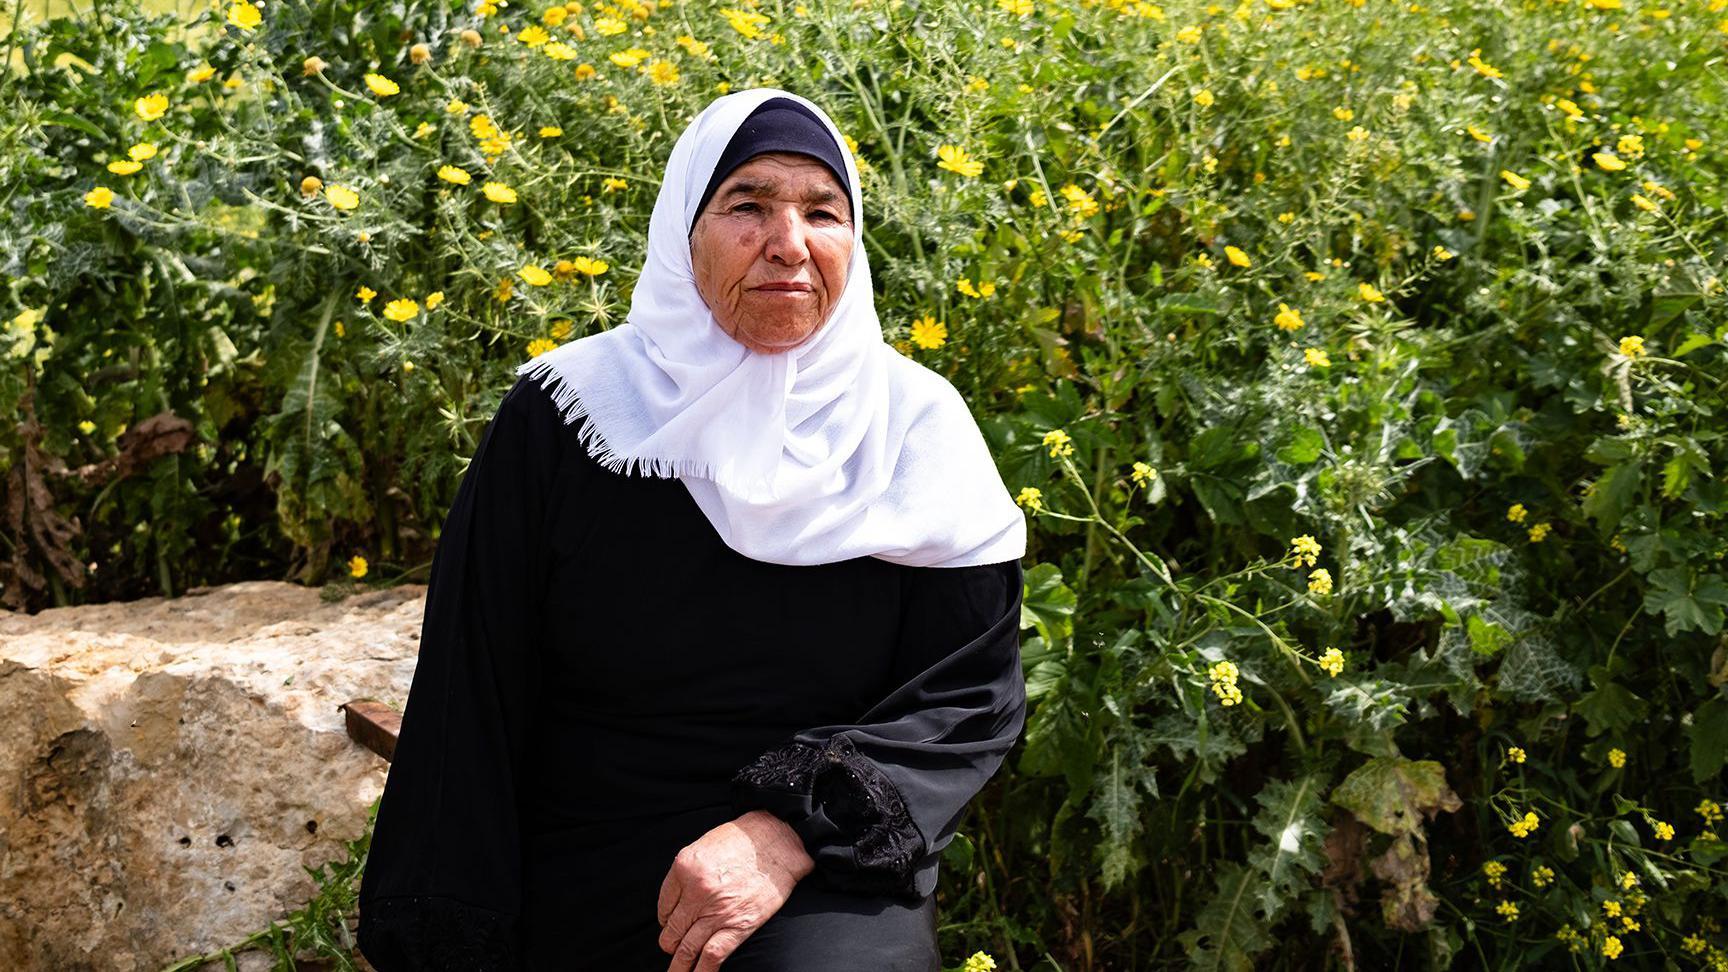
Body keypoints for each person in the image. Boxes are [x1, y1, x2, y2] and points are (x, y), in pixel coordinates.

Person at [354, 87, 1028, 971]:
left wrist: (788, 833)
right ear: (683, 230)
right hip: (588, 850)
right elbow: (471, 683)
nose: (789, 243)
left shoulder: (912, 427)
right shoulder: (573, 414)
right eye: (746, 206)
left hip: (818, 858)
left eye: (823, 211)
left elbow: (967, 697)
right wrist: (448, 928)